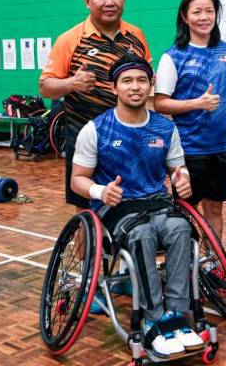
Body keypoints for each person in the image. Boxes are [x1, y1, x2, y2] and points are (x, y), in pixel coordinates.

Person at [71, 53, 204, 358]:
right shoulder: (95, 129)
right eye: (127, 81)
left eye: (142, 80)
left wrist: (182, 180)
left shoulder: (164, 128)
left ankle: (178, 315)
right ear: (114, 87)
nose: (135, 87)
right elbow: (77, 179)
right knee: (141, 234)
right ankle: (153, 318)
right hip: (116, 207)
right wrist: (99, 190)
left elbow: (177, 168)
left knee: (181, 226)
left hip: (156, 202)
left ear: (150, 85)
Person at [39, 0, 152, 210]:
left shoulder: (137, 35)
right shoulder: (69, 40)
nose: (110, 2)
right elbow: (45, 87)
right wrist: (71, 83)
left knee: (133, 205)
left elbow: (147, 82)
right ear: (87, 1)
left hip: (130, 139)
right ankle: (89, 249)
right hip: (86, 140)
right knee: (88, 214)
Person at [153, 0, 226, 244]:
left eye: (209, 11)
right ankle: (182, 261)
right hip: (188, 149)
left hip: (224, 147)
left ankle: (212, 264)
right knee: (184, 210)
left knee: (215, 208)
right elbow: (160, 103)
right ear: (185, 16)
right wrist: (197, 103)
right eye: (197, 12)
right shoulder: (173, 57)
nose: (204, 17)